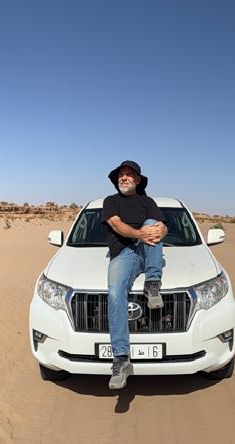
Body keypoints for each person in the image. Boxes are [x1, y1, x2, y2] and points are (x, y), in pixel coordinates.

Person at [101, 160, 167, 390]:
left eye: (129, 175)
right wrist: (140, 234)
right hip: (124, 253)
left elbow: (163, 227)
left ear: (138, 180)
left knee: (153, 222)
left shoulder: (147, 202)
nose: (124, 178)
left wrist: (159, 230)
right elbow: (117, 225)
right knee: (115, 291)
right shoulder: (111, 202)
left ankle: (152, 281)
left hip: (149, 250)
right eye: (121, 175)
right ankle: (121, 359)